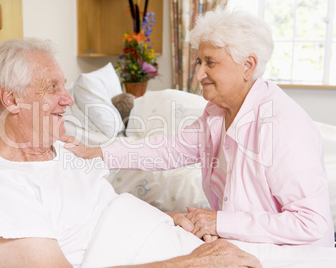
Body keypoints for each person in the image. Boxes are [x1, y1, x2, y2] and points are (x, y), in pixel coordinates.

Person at [0, 38, 261, 268]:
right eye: (52, 88)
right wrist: (196, 262)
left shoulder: (63, 152)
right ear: (10, 99)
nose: (68, 100)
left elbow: (101, 214)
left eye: (64, 86)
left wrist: (173, 219)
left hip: (181, 245)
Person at [64, 8, 335, 247]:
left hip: (295, 255)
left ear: (248, 65)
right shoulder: (218, 111)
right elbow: (169, 149)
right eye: (198, 61)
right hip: (250, 246)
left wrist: (221, 223)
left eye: (210, 62)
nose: (199, 74)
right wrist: (99, 152)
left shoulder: (282, 126)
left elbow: (312, 224)